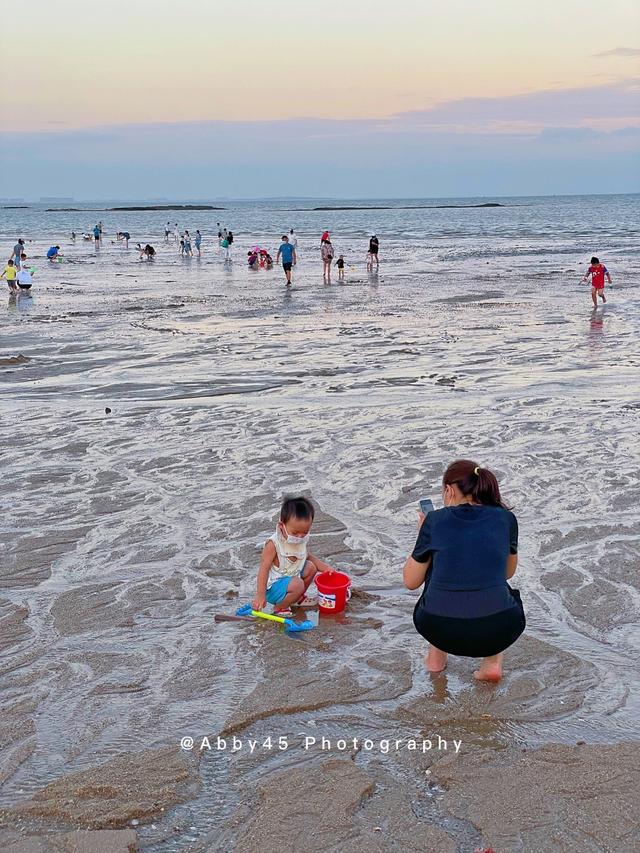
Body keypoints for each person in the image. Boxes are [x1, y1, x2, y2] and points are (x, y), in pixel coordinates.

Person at [403, 459, 525, 683]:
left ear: (449, 490)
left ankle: (435, 661)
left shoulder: (434, 521)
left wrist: (424, 536)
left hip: (436, 626)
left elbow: (411, 581)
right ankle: (492, 664)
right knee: (496, 583)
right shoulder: (506, 519)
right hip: (499, 628)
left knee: (436, 572)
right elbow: (508, 572)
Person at [252, 496, 336, 616]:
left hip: (292, 581)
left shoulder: (299, 540)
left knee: (311, 567)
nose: (300, 537)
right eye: (295, 533)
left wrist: (326, 569)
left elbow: (308, 556)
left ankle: (297, 599)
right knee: (298, 584)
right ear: (282, 526)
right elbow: (263, 569)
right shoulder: (273, 544)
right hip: (273, 589)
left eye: (305, 532)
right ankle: (280, 607)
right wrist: (260, 596)